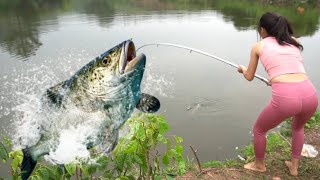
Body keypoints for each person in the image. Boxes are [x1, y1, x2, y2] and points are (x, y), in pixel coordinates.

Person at [237, 12, 318, 176]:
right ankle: (294, 167)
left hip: (286, 98)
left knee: (259, 129)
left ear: (263, 30)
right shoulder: (294, 42)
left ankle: (259, 165)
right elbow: (290, 69)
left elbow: (249, 76)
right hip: (310, 94)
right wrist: (275, 80)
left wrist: (242, 70)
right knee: (298, 128)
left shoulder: (258, 46)